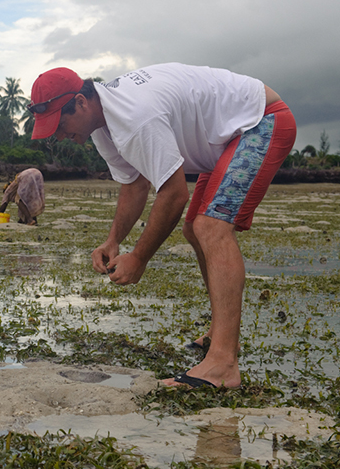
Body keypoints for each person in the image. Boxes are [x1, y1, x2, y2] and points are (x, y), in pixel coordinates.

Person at [28, 64, 296, 389]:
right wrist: (113, 241)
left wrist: (139, 257)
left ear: (82, 102)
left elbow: (174, 194)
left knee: (211, 227)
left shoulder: (135, 115)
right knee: (195, 229)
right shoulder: (102, 126)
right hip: (226, 140)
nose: (58, 134)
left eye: (59, 123)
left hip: (260, 121)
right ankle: (222, 335)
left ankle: (223, 364)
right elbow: (135, 184)